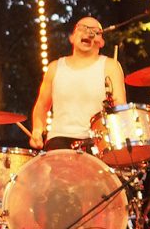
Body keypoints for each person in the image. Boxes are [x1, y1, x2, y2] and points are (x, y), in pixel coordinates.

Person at [29, 17, 127, 152]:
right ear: (72, 37)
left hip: (97, 141)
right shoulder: (55, 67)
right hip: (59, 139)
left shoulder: (111, 66)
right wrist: (37, 131)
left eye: (95, 32)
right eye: (82, 28)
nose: (89, 33)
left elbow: (120, 107)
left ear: (101, 42)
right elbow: (41, 106)